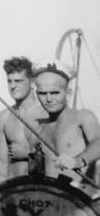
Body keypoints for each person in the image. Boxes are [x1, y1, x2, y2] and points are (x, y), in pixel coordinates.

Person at [29, 59, 100, 191]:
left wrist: (78, 161)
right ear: (37, 94)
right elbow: (35, 173)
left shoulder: (82, 116)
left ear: (68, 92)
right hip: (51, 200)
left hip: (82, 200)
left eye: (55, 93)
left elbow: (98, 142)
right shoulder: (37, 130)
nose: (49, 99)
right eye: (43, 93)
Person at [0, 57, 47, 177]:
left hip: (42, 189)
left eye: (18, 81)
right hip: (15, 190)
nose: (12, 86)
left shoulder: (46, 115)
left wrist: (29, 154)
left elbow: (57, 159)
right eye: (9, 81)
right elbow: (1, 163)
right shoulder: (4, 117)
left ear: (32, 82)